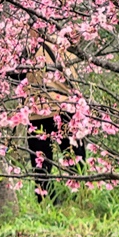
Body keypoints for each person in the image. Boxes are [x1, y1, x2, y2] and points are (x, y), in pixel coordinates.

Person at [23, 41, 86, 203]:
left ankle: (48, 200)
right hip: (64, 109)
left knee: (41, 163)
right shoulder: (65, 46)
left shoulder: (25, 47)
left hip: (39, 112)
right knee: (75, 158)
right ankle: (77, 197)